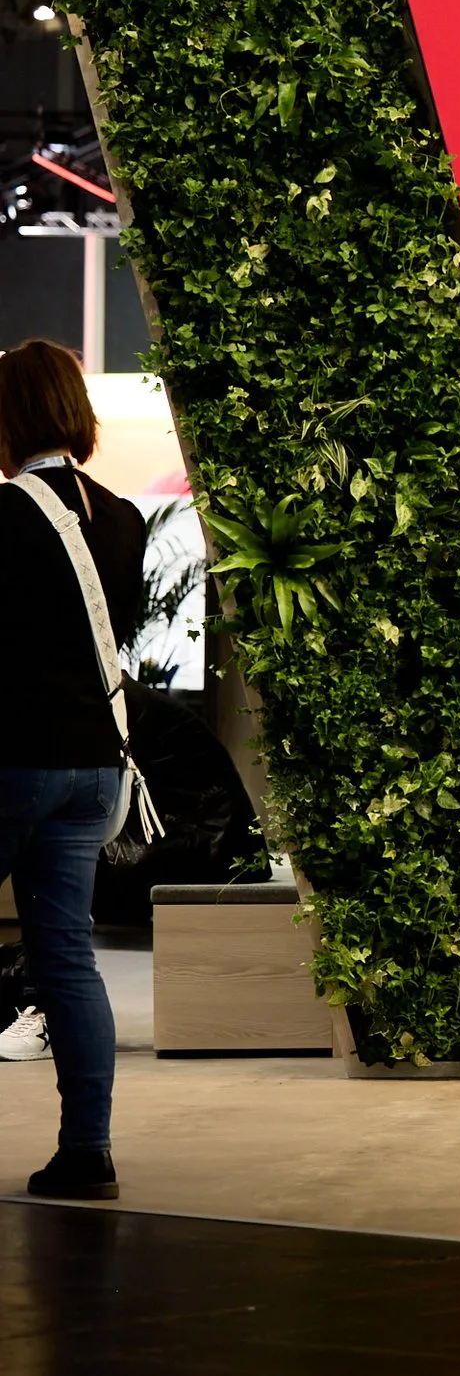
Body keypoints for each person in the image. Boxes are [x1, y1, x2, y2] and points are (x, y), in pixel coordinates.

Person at [0, 338, 145, 1200]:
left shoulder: (3, 515)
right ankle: (87, 1153)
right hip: (96, 764)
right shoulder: (121, 517)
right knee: (68, 959)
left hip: (14, 760)